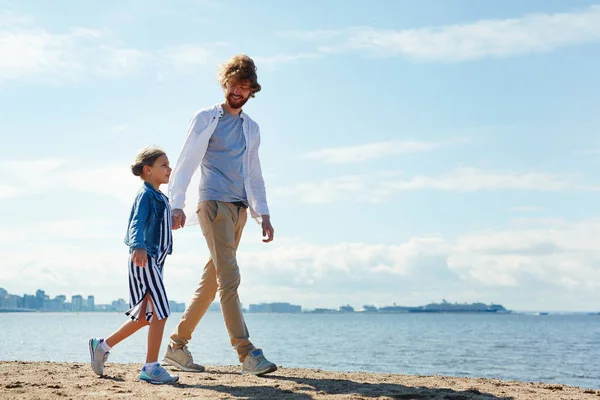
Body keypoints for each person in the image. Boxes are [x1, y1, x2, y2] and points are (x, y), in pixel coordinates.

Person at [161, 54, 277, 376]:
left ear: (251, 90)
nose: (238, 90)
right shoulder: (206, 118)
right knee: (230, 279)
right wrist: (176, 203)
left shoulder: (251, 128)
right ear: (224, 83)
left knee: (212, 283)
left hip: (239, 210)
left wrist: (262, 214)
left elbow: (254, 174)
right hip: (213, 205)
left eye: (244, 86)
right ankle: (246, 353)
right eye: (233, 84)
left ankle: (176, 347)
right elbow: (185, 161)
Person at [88, 147, 179, 384]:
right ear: (148, 170)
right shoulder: (146, 194)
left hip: (155, 261)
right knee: (161, 311)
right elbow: (137, 223)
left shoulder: (159, 197)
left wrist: (172, 221)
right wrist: (138, 245)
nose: (170, 169)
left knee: (145, 316)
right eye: (164, 165)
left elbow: (155, 223)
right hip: (144, 257)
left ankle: (102, 346)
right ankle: (151, 367)